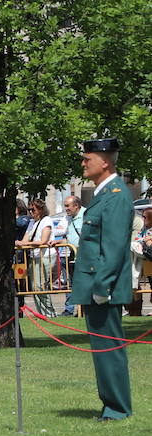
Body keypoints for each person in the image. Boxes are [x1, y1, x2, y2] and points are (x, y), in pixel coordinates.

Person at [68, 138, 134, 421]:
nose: (83, 163)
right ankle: (112, 405)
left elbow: (115, 245)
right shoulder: (104, 193)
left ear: (105, 161)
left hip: (103, 286)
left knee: (108, 348)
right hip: (97, 284)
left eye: (88, 158)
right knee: (103, 348)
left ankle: (117, 408)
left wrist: (102, 287)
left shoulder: (117, 195)